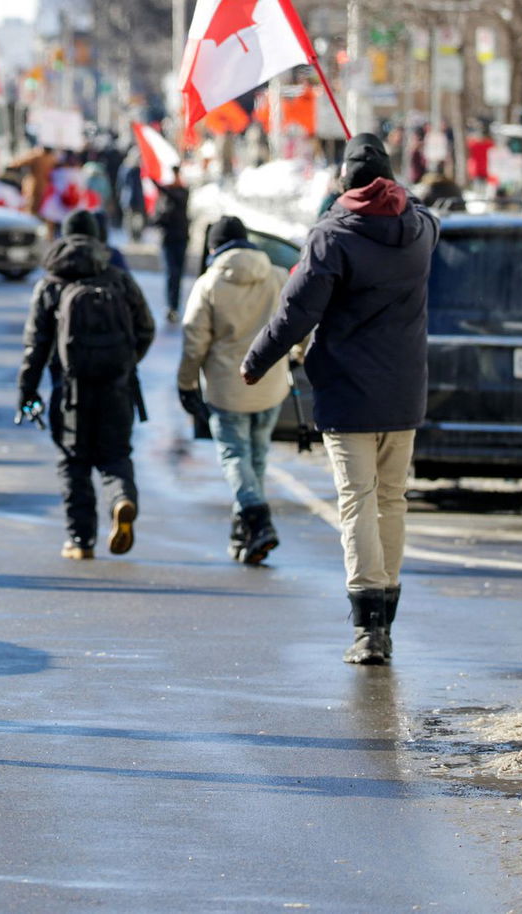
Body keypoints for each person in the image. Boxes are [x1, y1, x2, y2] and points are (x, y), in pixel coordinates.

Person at [242, 132, 439, 665]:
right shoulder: (420, 230)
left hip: (348, 391)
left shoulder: (333, 236)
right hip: (403, 392)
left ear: (344, 182)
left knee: (357, 500)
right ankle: (386, 618)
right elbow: (418, 206)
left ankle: (366, 627)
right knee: (392, 500)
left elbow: (296, 312)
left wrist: (257, 360)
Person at [17, 210, 155, 560]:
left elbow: (36, 345)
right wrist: (125, 362)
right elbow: (146, 328)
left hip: (70, 390)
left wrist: (27, 391)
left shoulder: (51, 283)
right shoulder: (118, 278)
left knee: (73, 462)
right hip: (117, 386)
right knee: (115, 455)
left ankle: (80, 540)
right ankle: (122, 499)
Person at [177, 216, 294, 566]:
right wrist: (299, 354)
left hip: (227, 386)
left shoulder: (209, 283)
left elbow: (194, 340)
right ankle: (244, 533)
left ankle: (257, 519)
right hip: (271, 382)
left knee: (233, 456)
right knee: (256, 457)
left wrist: (186, 383)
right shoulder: (277, 275)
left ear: (214, 248)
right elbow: (296, 319)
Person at [153, 166, 191, 323]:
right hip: (168, 240)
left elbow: (176, 197)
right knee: (171, 273)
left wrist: (156, 183)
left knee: (177, 274)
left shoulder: (182, 192)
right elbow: (158, 219)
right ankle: (171, 306)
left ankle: (175, 305)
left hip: (180, 239)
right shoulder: (164, 199)